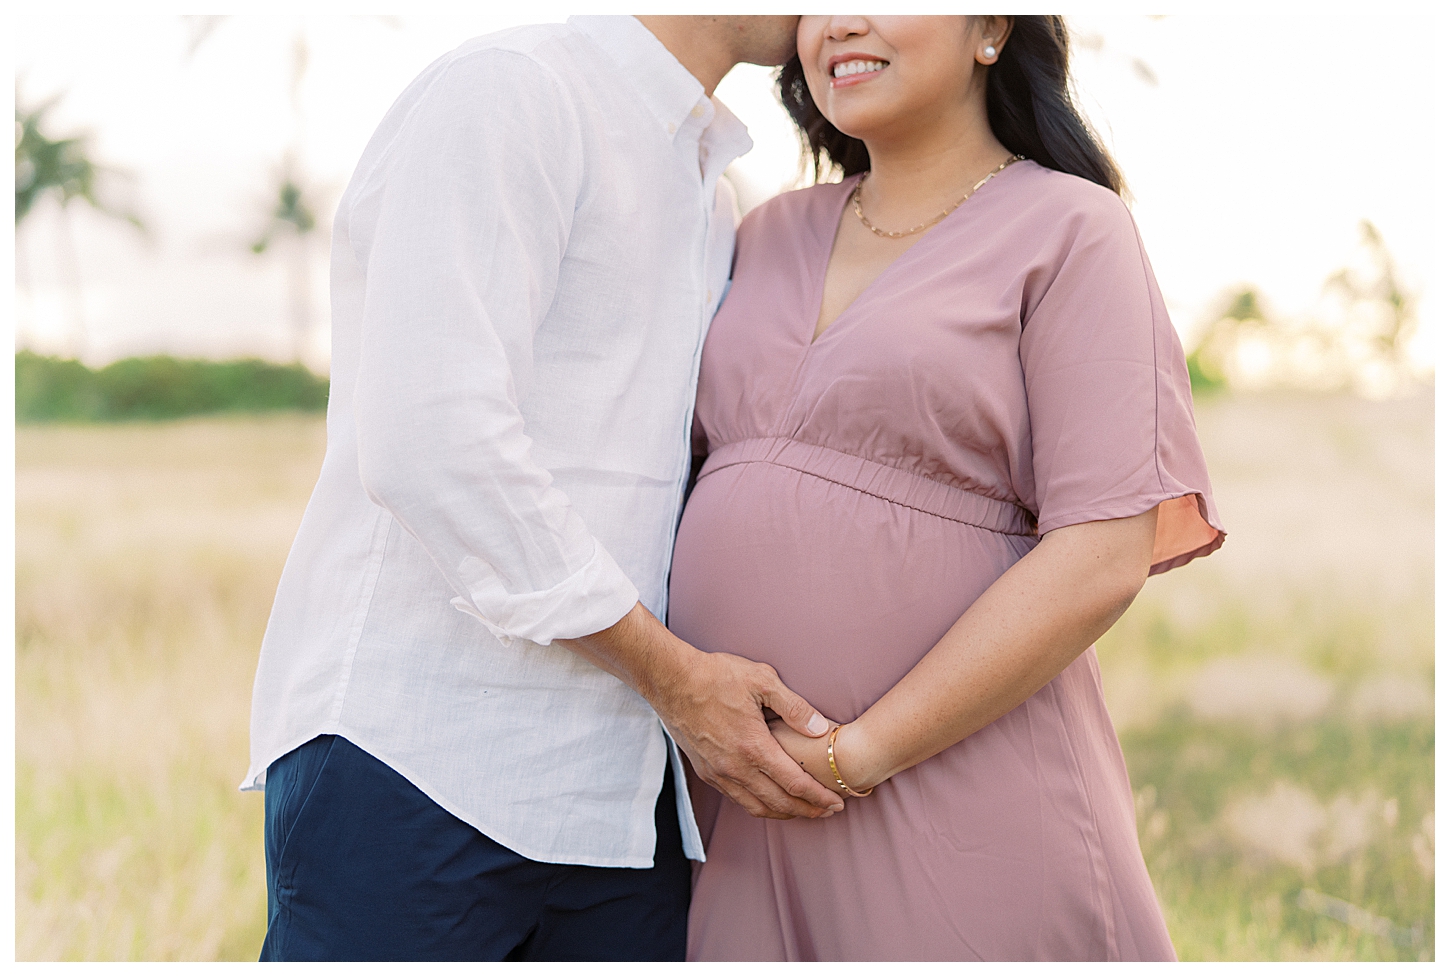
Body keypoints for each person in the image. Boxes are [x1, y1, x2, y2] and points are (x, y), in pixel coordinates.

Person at [240, 15, 847, 963]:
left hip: (619, 800)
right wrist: (676, 677)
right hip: (425, 767)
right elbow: (434, 438)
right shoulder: (513, 91)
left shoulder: (713, 191)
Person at [670, 15, 1227, 961]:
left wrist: (864, 752)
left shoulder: (1072, 231)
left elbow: (1102, 553)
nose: (839, 21)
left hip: (963, 797)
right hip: (751, 806)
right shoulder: (760, 232)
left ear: (992, 30)